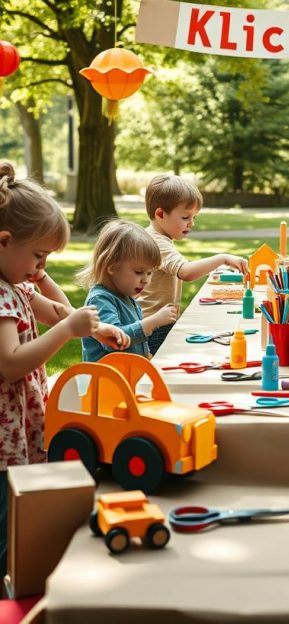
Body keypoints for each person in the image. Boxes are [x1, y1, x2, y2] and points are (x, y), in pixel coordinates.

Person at [0, 162, 125, 582]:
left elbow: (55, 310)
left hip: (19, 427)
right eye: (38, 255)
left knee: (20, 511)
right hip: (2, 439)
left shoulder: (16, 282)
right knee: (5, 521)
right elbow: (11, 363)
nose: (41, 268)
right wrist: (68, 331)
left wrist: (98, 327)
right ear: (3, 242)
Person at [140, 174, 249, 355]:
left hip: (159, 321)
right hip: (155, 325)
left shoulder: (159, 238)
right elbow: (186, 272)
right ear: (160, 214)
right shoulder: (156, 243)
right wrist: (222, 258)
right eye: (185, 217)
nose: (191, 223)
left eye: (194, 217)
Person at [80, 220, 175, 362]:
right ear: (111, 266)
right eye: (139, 272)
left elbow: (137, 345)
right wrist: (154, 321)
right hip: (107, 380)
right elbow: (115, 341)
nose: (146, 280)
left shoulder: (126, 296)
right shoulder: (100, 300)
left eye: (150, 273)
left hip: (127, 377)